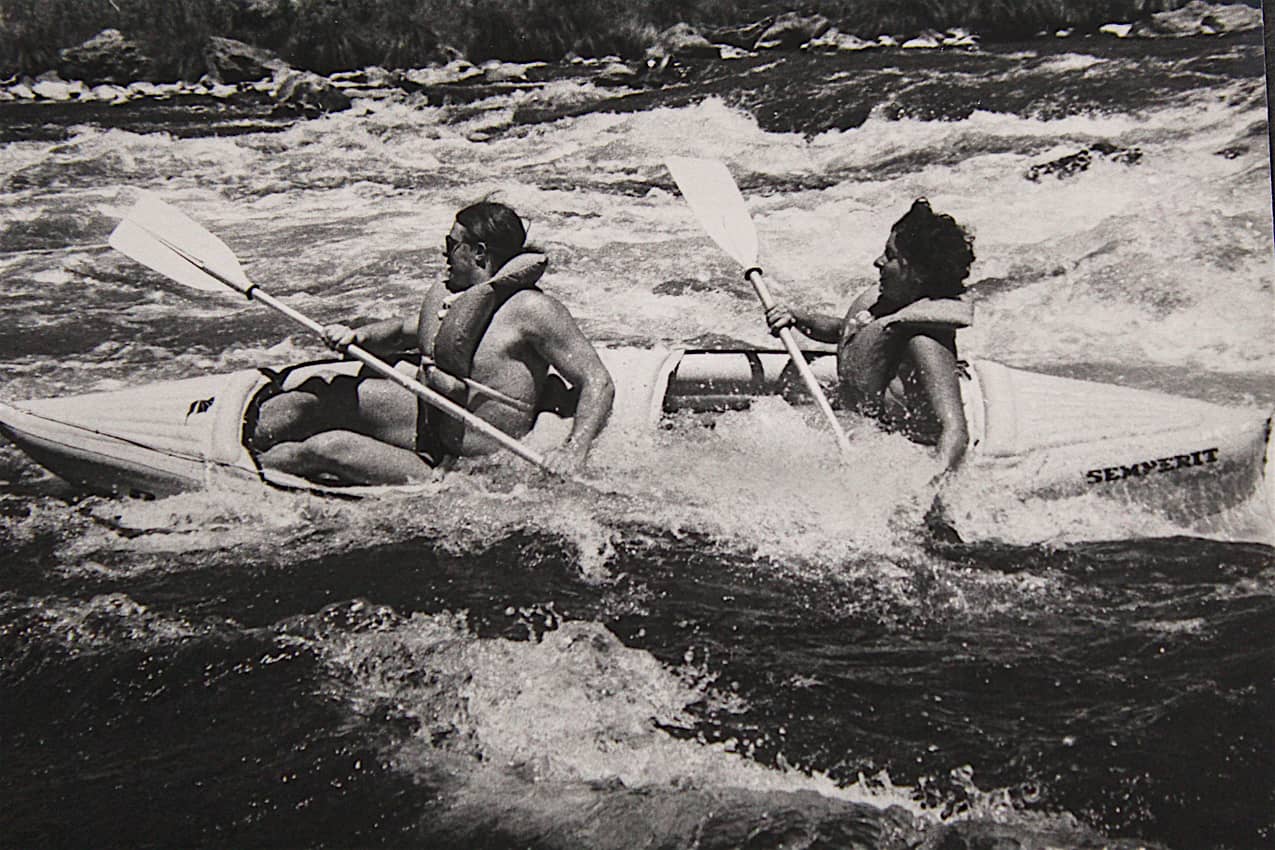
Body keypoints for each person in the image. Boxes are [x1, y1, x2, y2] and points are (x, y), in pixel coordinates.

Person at [250, 201, 615, 484]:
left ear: (479, 254)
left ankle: (238, 472)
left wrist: (574, 451)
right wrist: (357, 335)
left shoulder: (533, 310)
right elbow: (404, 332)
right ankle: (243, 436)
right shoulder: (455, 297)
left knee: (325, 448)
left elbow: (597, 381)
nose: (444, 252)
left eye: (451, 244)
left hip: (470, 463)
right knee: (310, 401)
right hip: (428, 421)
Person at [765, 198, 976, 485]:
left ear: (917, 274)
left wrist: (931, 490)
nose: (878, 262)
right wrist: (800, 318)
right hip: (879, 428)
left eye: (890, 256)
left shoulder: (925, 340)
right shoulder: (890, 307)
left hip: (918, 449)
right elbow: (852, 331)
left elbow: (955, 430)